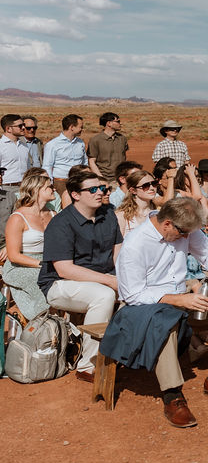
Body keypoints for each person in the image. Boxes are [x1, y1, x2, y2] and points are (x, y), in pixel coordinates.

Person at [102, 197, 208, 428]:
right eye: (183, 233)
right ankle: (172, 396)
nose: (186, 238)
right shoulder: (135, 244)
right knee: (165, 321)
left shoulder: (184, 229)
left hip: (180, 298)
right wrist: (180, 299)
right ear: (167, 224)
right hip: (142, 308)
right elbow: (132, 295)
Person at [37, 172, 122, 380]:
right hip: (60, 284)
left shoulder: (108, 214)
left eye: (101, 188)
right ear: (75, 195)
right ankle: (88, 365)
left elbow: (118, 251)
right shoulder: (61, 223)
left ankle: (123, 355)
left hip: (102, 278)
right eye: (92, 189)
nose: (100, 192)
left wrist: (123, 278)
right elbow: (64, 269)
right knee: (104, 295)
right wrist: (111, 281)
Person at [1, 172, 55, 320]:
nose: (53, 189)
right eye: (49, 187)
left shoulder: (53, 214)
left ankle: (60, 325)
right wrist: (41, 264)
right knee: (44, 279)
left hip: (48, 261)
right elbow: (13, 256)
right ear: (36, 190)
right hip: (19, 265)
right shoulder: (18, 218)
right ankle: (40, 323)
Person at [43, 114, 89, 195]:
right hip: (60, 183)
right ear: (71, 127)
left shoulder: (80, 143)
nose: (82, 129)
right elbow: (47, 166)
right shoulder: (52, 144)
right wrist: (49, 184)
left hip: (78, 182)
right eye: (80, 127)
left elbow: (84, 162)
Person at [87, 112, 129, 184]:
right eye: (118, 121)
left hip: (122, 178)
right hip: (105, 179)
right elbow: (92, 162)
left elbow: (124, 157)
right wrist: (101, 179)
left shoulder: (122, 138)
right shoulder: (96, 140)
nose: (120, 123)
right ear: (109, 123)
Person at [115, 170, 158, 235]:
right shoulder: (121, 216)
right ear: (133, 190)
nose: (152, 188)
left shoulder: (158, 213)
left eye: (154, 184)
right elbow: (118, 244)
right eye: (145, 186)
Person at [0, 114, 31, 186]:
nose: (23, 128)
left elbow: (28, 168)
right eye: (20, 126)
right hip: (6, 188)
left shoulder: (24, 145)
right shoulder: (1, 145)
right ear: (8, 129)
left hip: (24, 187)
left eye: (23, 125)